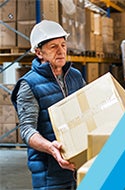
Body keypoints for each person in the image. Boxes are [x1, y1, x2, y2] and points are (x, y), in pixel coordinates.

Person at [11, 20, 86, 189]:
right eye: (53, 47)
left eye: (63, 45)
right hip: (49, 174)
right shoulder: (28, 85)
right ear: (39, 52)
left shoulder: (75, 76)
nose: (61, 51)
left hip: (79, 165)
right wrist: (51, 148)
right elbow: (27, 130)